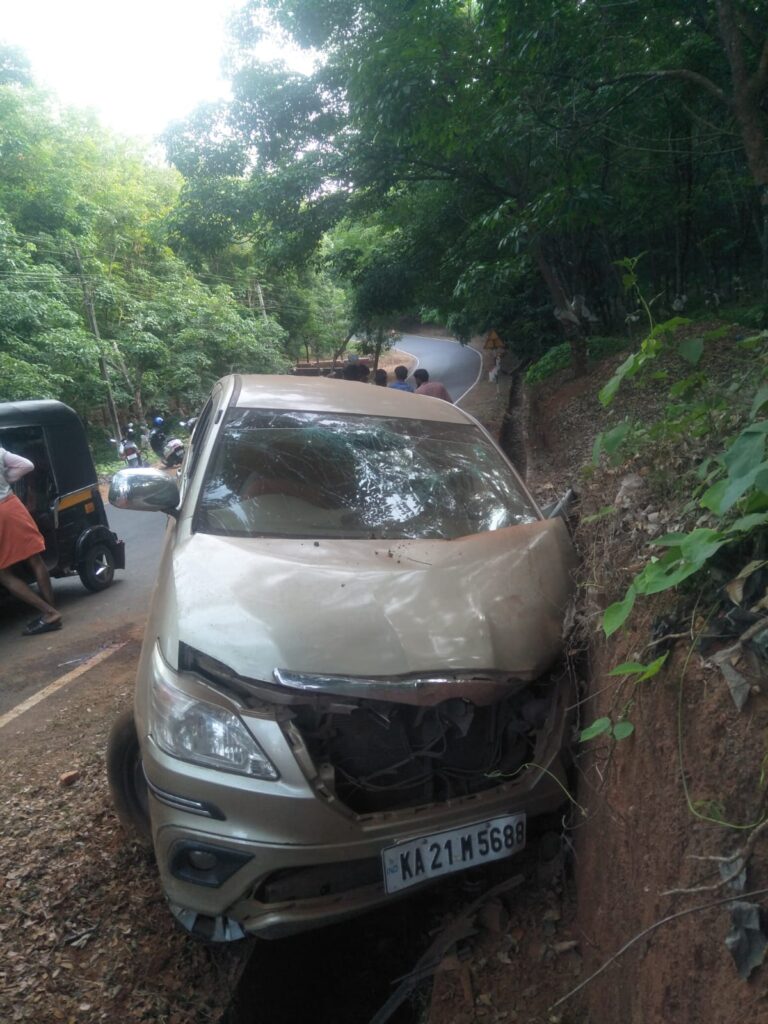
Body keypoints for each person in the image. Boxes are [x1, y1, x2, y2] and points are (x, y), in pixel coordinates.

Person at [0, 447, 62, 635]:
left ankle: (50, 613)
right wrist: (8, 478)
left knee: (3, 574)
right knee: (35, 560)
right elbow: (27, 465)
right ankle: (52, 612)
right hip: (12, 505)